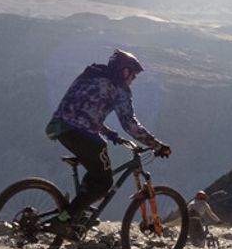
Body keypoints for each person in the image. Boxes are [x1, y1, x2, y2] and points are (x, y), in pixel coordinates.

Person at [45, 49, 169, 228]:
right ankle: (65, 218)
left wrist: (108, 132)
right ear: (124, 71)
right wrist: (156, 145)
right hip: (81, 133)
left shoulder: (90, 74)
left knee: (96, 169)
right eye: (133, 76)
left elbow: (83, 110)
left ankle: (77, 214)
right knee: (104, 182)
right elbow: (130, 124)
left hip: (58, 127)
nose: (133, 80)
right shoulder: (119, 88)